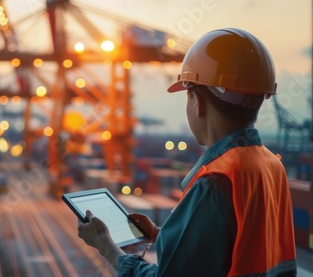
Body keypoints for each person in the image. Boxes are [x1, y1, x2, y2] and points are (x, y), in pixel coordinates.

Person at [77, 28, 297, 276]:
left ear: (198, 102)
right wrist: (162, 235)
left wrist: (106, 247)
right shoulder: (272, 167)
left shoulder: (214, 182)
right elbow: (231, 248)